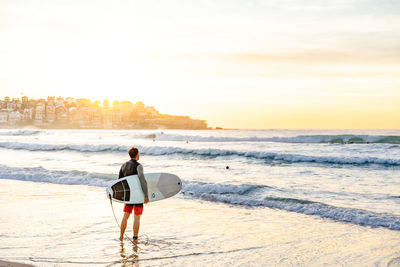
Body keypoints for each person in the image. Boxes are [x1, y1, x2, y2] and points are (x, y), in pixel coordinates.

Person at [118, 146, 149, 243]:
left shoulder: (123, 165)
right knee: (137, 217)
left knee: (125, 215)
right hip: (137, 195)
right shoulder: (139, 166)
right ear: (137, 154)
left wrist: (122, 196)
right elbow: (142, 180)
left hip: (128, 195)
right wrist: (146, 195)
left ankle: (121, 237)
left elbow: (120, 181)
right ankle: (135, 239)